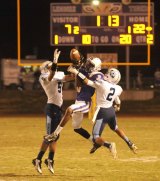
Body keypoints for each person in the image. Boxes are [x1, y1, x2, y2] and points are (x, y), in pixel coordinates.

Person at [67, 66, 138, 158]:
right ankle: (130, 143)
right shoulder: (118, 88)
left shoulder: (102, 84)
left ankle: (109, 145)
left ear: (110, 76)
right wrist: (118, 105)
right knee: (115, 128)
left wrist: (76, 72)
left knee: (96, 137)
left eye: (108, 73)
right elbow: (117, 100)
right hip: (111, 111)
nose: (105, 74)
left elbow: (86, 81)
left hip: (102, 112)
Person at [44, 56, 103, 146]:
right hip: (79, 100)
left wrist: (76, 71)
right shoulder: (85, 72)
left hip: (86, 102)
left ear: (96, 67)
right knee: (77, 128)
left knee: (69, 110)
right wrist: (75, 66)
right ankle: (98, 143)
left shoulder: (98, 75)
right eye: (89, 63)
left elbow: (87, 81)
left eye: (91, 65)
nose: (88, 65)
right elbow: (76, 80)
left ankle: (55, 134)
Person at [32, 49, 74, 174]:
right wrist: (55, 60)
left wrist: (77, 70)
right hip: (51, 107)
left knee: (55, 136)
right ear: (46, 68)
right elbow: (51, 76)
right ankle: (38, 159)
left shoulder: (58, 74)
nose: (53, 67)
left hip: (58, 108)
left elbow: (70, 78)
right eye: (50, 66)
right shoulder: (43, 77)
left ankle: (50, 160)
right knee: (50, 136)